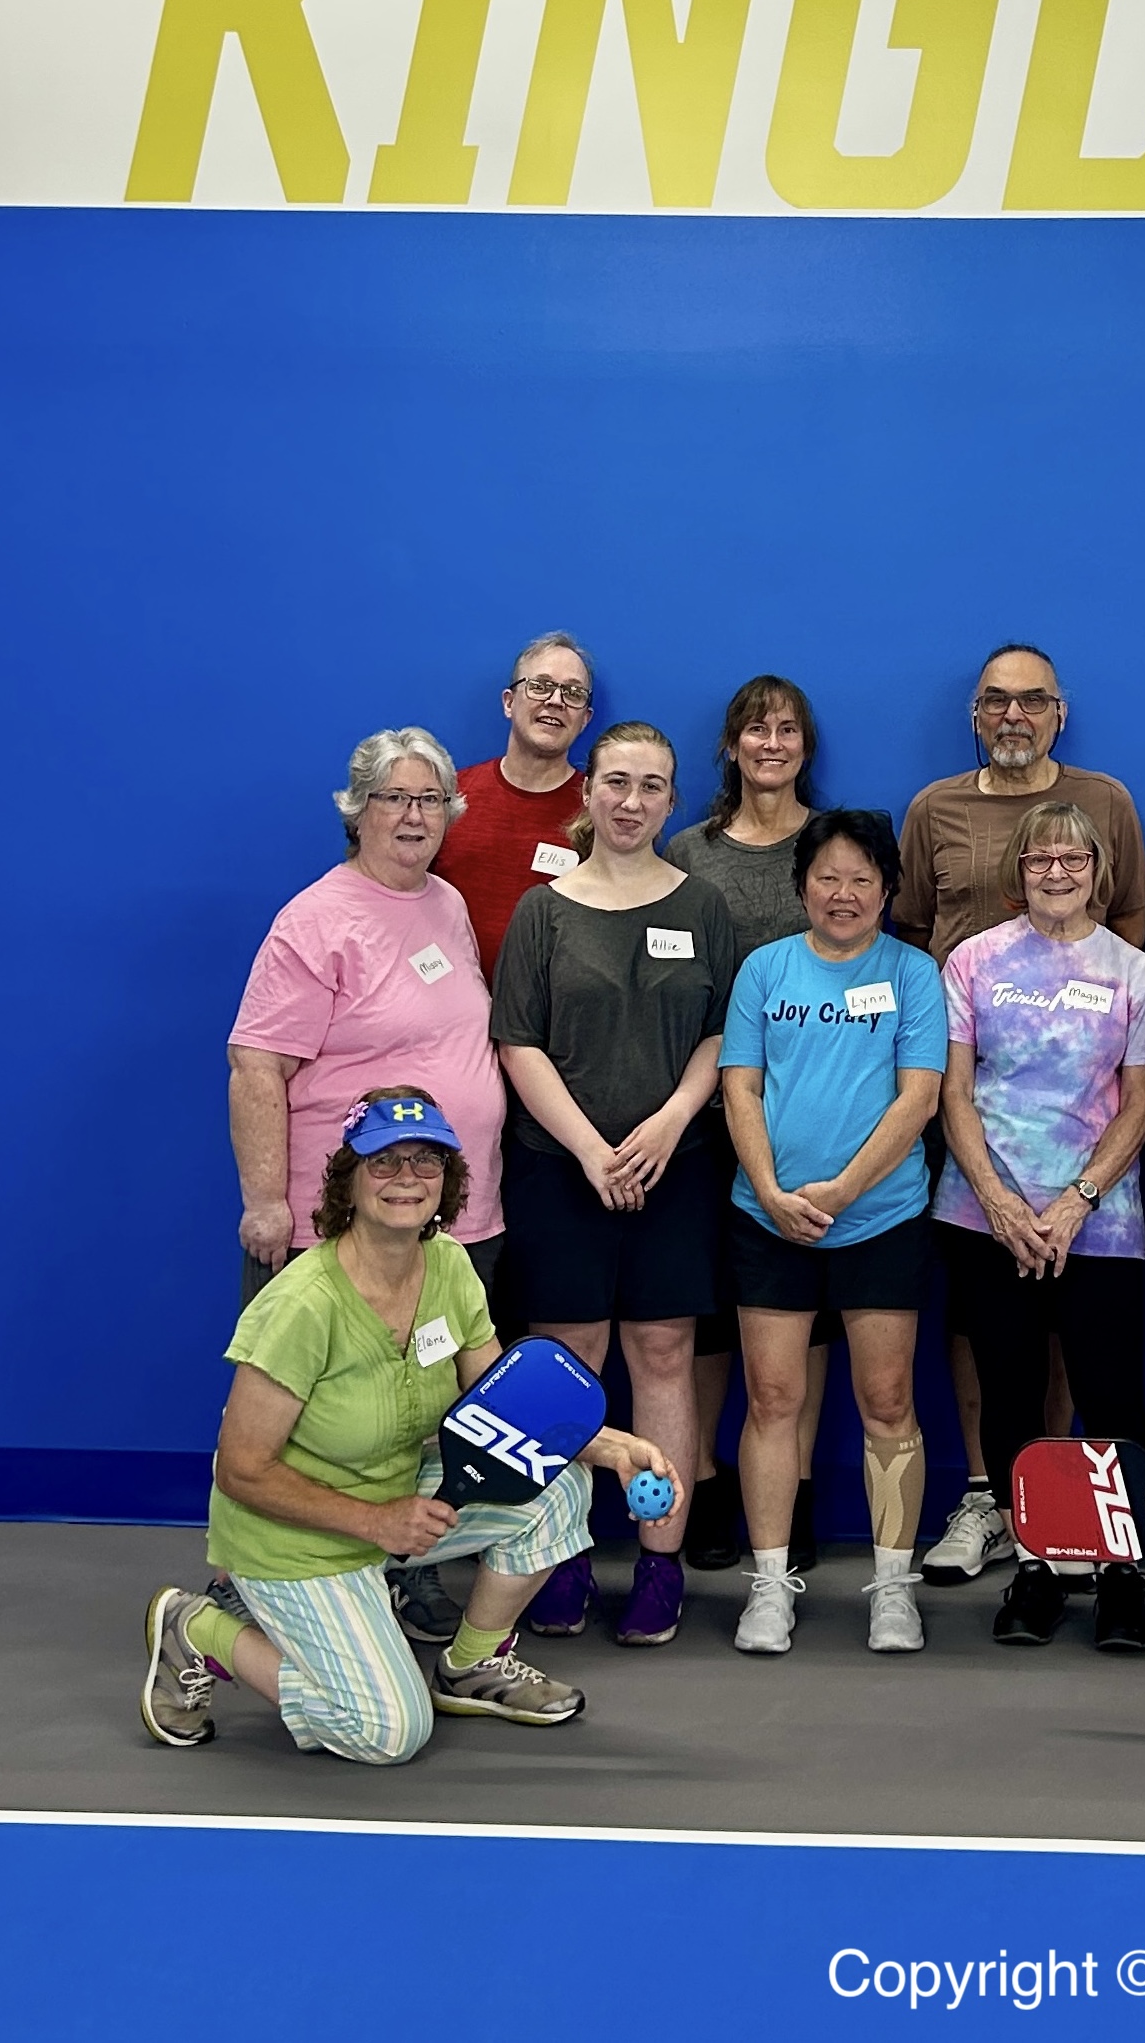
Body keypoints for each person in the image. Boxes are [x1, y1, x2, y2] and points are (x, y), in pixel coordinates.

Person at [141, 1093, 681, 1762]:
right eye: (385, 1160)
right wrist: (375, 1523)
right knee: (387, 1732)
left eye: (427, 1160)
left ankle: (471, 1665)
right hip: (296, 1537)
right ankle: (200, 1628)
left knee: (558, 1486)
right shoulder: (302, 1305)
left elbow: (504, 1404)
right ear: (348, 1178)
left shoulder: (449, 1264)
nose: (407, 1177)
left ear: (447, 1178)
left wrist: (613, 1447)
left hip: (395, 1498)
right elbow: (241, 1469)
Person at [898, 643, 1145, 1586]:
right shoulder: (937, 821)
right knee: (996, 1359)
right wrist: (999, 1197)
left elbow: (1140, 1070)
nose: (1014, 714)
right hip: (977, 1163)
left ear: (1059, 711)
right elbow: (915, 942)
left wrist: (1079, 1195)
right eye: (996, 700)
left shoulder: (1109, 815)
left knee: (1099, 1376)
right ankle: (1011, 1526)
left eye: (1033, 700)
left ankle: (1104, 1554)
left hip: (1094, 1186)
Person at [492, 720, 739, 1652]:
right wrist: (594, 1150)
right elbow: (519, 1041)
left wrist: (670, 1121)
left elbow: (722, 1034)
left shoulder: (703, 906)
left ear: (672, 801)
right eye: (617, 782)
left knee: (664, 1352)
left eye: (652, 786)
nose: (632, 802)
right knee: (566, 1357)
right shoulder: (543, 911)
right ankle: (558, 1553)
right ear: (588, 792)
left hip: (676, 1166)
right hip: (560, 1168)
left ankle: (660, 1562)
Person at [933, 801, 1145, 1653]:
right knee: (1011, 1392)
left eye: (1074, 859)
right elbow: (954, 1091)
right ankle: (1035, 1565)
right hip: (984, 1216)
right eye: (1041, 859)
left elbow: (1142, 1103)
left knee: (1112, 1397)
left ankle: (1120, 1573)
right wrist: (1000, 1202)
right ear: (1019, 870)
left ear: (1098, 871)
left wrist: (1075, 1201)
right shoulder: (973, 960)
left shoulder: (1135, 972)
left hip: (1099, 1221)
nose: (1057, 872)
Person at [718, 810, 947, 1658]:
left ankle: (893, 1588)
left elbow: (919, 1097)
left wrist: (845, 1189)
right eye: (826, 877)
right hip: (768, 1219)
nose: (842, 893)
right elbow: (740, 1088)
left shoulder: (913, 973)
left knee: (887, 1402)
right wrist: (772, 1192)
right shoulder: (764, 969)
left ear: (887, 890)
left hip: (881, 1220)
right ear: (801, 885)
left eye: (861, 879)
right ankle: (769, 1584)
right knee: (773, 1401)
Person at [229, 728, 505, 1297]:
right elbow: (256, 1066)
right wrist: (265, 1204)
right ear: (358, 811)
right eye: (395, 797)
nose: (414, 815)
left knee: (451, 1359)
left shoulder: (448, 903)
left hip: (457, 1217)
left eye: (430, 800)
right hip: (346, 1226)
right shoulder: (314, 920)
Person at [663, 675, 832, 1574]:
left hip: (813, 1113)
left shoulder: (834, 845)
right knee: (708, 1314)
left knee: (803, 1315)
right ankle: (704, 1480)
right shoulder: (687, 851)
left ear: (806, 745)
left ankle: (792, 1488)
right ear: (731, 746)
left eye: (787, 729)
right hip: (703, 1109)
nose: (771, 743)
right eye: (755, 729)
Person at [434, 632, 598, 975]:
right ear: (509, 702)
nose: (556, 701)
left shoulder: (599, 811)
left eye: (573, 693)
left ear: (585, 719)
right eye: (540, 686)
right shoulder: (449, 795)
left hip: (549, 1005)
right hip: (444, 998)